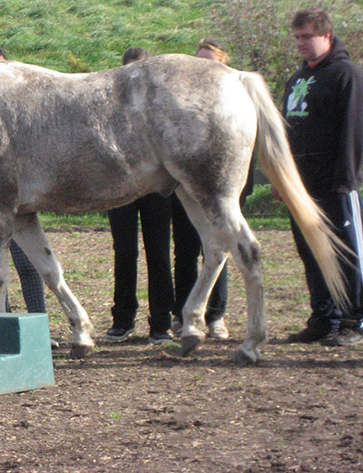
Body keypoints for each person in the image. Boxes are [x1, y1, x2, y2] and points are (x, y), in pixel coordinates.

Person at [281, 9, 363, 346]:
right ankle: (324, 318)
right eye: (297, 37)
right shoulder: (297, 80)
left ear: (326, 36)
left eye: (307, 36)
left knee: (347, 254)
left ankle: (356, 319)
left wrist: (345, 179)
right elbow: (287, 133)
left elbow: (355, 131)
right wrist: (284, 180)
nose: (301, 43)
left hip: (336, 183)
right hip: (302, 186)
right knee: (311, 252)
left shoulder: (348, 75)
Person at [170, 38, 254, 340]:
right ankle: (183, 312)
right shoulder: (182, 100)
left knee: (219, 244)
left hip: (217, 183)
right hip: (183, 183)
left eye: (208, 61)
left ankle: (216, 314)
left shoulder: (230, 97)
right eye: (198, 61)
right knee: (185, 251)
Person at [0, 48, 51, 335]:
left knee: (28, 262)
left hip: (15, 194)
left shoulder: (20, 107)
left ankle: (39, 329)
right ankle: (4, 325)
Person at [105, 48, 174, 344]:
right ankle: (123, 318)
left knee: (158, 252)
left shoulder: (161, 108)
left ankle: (161, 323)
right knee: (124, 251)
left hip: (155, 186)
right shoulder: (111, 108)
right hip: (120, 185)